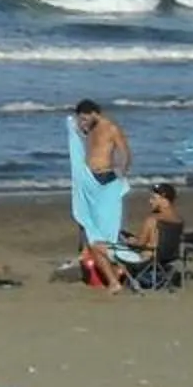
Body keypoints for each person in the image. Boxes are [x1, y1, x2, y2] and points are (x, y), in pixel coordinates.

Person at [68, 99, 132, 285]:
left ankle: (110, 265)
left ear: (95, 113)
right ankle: (89, 256)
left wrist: (122, 170)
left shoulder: (111, 128)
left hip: (106, 177)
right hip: (90, 179)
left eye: (85, 118)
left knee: (105, 225)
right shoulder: (90, 129)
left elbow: (124, 150)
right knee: (84, 218)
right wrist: (75, 127)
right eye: (81, 119)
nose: (83, 122)